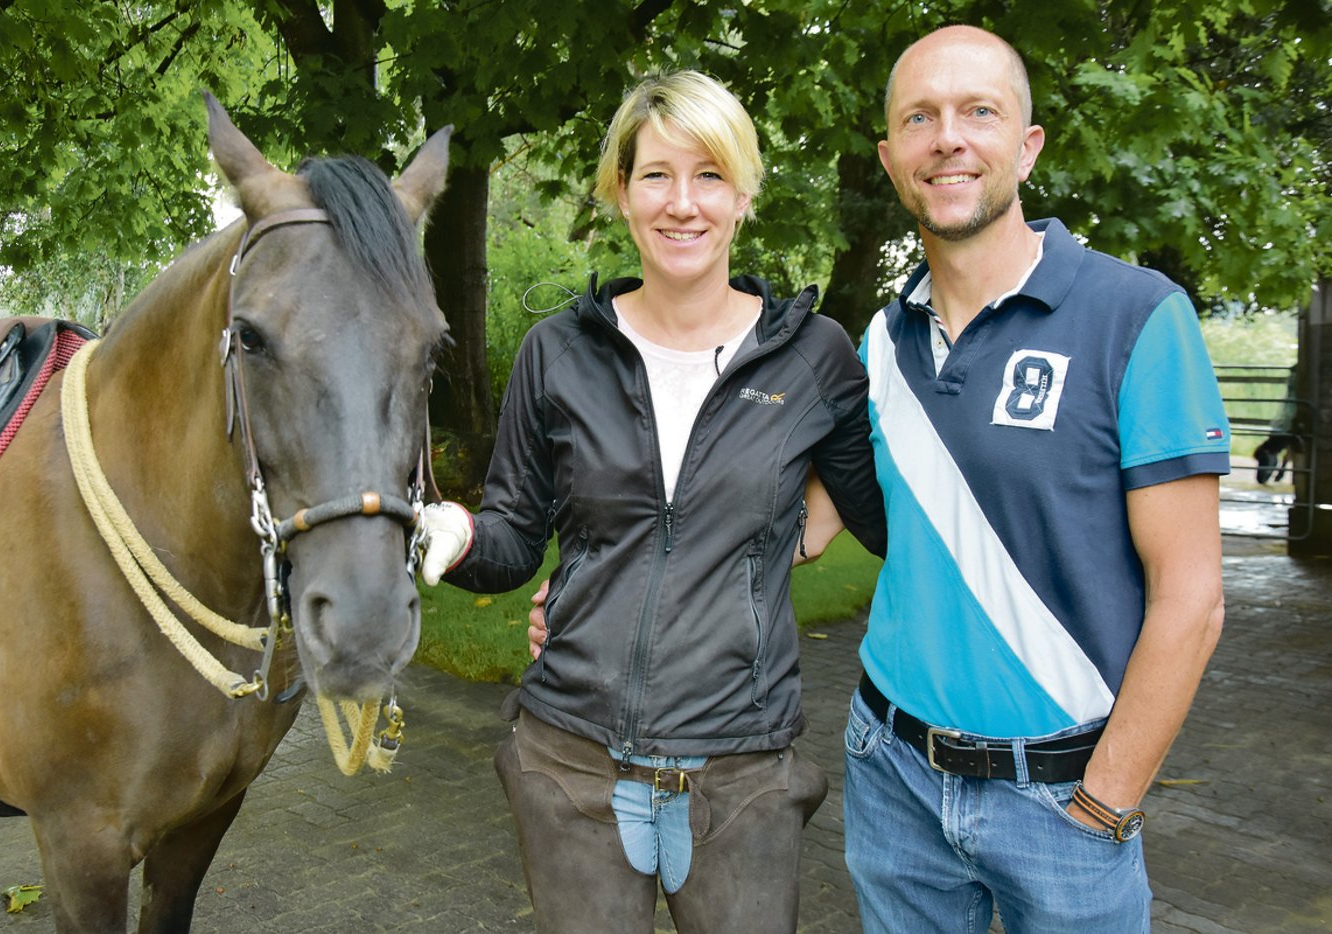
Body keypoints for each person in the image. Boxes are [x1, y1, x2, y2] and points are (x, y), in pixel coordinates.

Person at [416, 70, 886, 934]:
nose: (683, 203)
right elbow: (518, 538)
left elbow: (884, 515)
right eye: (656, 175)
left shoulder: (814, 359)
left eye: (709, 174)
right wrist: (446, 535)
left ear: (744, 194)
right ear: (621, 193)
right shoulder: (556, 352)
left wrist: (798, 529)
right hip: (571, 764)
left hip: (741, 775)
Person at [815, 24, 1229, 932]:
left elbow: (1192, 597)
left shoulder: (1138, 317)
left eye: (979, 112)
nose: (948, 137)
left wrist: (1106, 803)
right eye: (919, 117)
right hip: (893, 777)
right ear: (891, 159)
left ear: (1027, 144)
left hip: (1067, 798)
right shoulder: (881, 344)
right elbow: (793, 526)